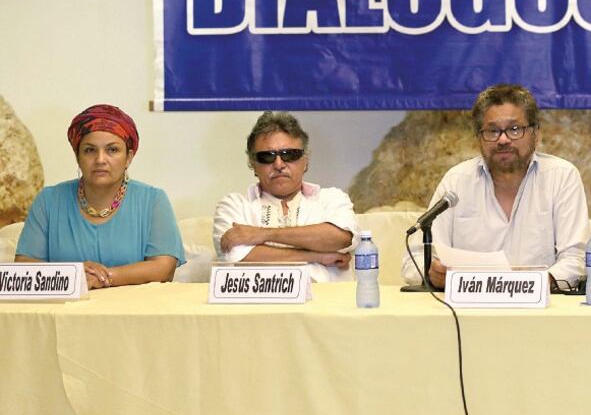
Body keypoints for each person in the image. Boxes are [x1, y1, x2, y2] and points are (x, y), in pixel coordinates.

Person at [401, 84, 588, 289]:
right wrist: (431, 272)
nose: (503, 140)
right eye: (492, 131)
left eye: (514, 129)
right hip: (469, 313)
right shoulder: (457, 181)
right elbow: (414, 259)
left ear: (536, 133)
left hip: (541, 311)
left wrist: (527, 286)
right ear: (479, 137)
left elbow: (576, 261)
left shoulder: (561, 177)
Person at [15, 104, 185, 289]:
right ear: (77, 156)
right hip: (64, 312)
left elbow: (163, 268)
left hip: (134, 311)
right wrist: (75, 273)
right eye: (90, 150)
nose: (100, 159)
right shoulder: (49, 201)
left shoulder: (153, 200)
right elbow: (24, 266)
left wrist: (104, 277)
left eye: (112, 150)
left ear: (129, 157)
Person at [213, 111, 358, 282]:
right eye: (267, 156)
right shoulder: (234, 205)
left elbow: (340, 239)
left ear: (306, 160)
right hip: (256, 305)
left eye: (289, 154)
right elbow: (235, 257)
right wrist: (317, 256)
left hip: (325, 303)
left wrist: (262, 234)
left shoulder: (331, 198)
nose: (279, 164)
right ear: (253, 164)